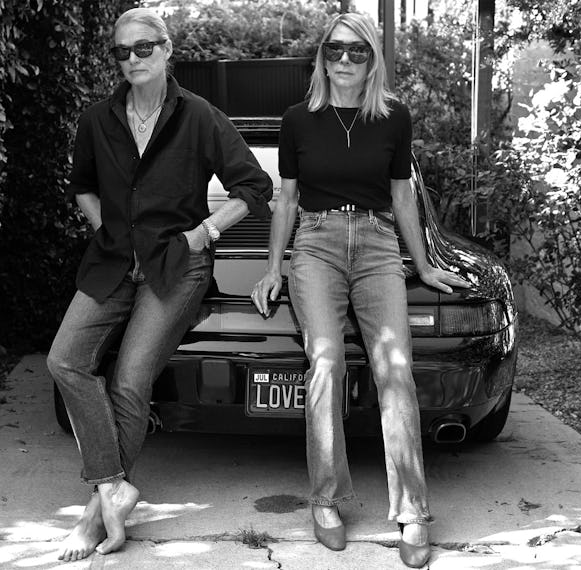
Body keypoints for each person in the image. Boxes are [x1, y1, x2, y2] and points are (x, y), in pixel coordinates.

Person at [47, 7, 272, 562]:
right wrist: (107, 229)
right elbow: (82, 187)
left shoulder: (201, 117)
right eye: (121, 52)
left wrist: (203, 234)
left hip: (178, 265)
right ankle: (114, 486)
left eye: (143, 48)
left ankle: (98, 509)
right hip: (113, 260)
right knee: (64, 360)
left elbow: (253, 187)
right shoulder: (97, 119)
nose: (132, 60)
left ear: (168, 50)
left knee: (129, 378)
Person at [251, 12, 469, 569]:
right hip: (317, 245)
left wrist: (423, 265)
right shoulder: (298, 119)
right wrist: (274, 266)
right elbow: (287, 200)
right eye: (335, 49)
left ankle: (413, 511)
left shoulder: (394, 118)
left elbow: (401, 201)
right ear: (321, 55)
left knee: (394, 369)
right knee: (324, 363)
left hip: (375, 245)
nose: (344, 59)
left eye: (358, 52)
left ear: (373, 59)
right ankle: (326, 501)